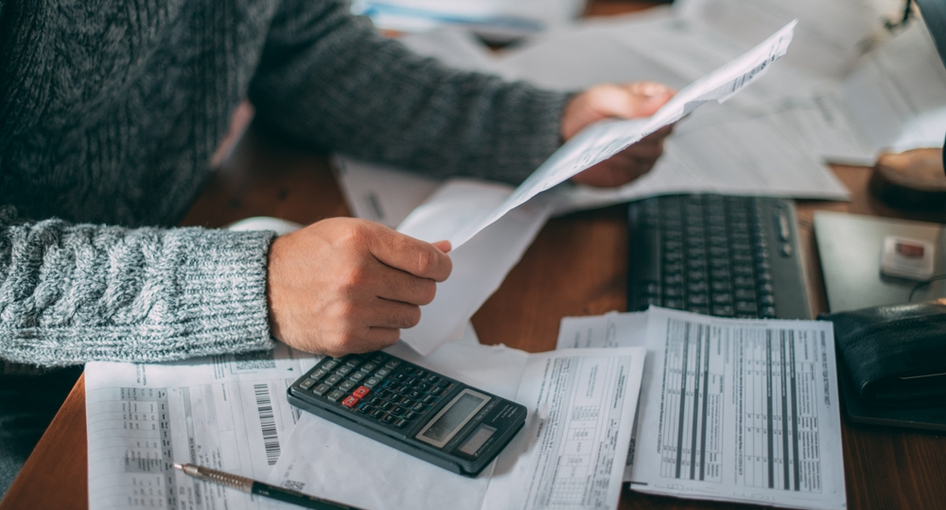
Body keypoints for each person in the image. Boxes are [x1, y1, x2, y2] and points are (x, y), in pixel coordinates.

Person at [0, 0, 673, 495]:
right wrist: (254, 287)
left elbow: (305, 49)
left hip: (184, 248)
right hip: (33, 391)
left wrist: (544, 128)